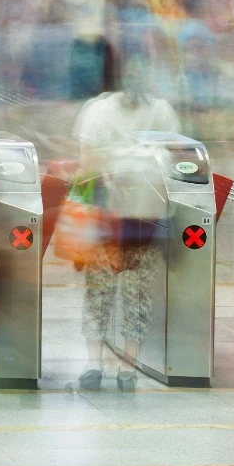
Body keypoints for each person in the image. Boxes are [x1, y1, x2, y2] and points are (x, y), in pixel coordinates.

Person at [71, 51, 180, 392]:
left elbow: (86, 168)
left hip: (114, 219)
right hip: (139, 219)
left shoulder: (99, 111)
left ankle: (96, 364)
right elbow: (177, 161)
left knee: (101, 294)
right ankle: (126, 368)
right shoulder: (157, 111)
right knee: (135, 295)